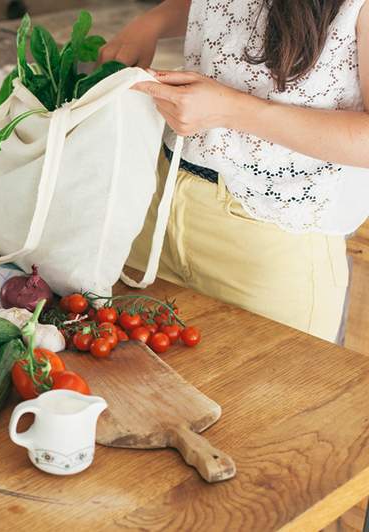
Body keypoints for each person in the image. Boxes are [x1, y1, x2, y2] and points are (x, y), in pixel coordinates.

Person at [107, 0, 369, 343]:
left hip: (268, 243)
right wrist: (153, 22)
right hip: (155, 207)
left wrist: (230, 110)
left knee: (259, 394)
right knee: (134, 388)